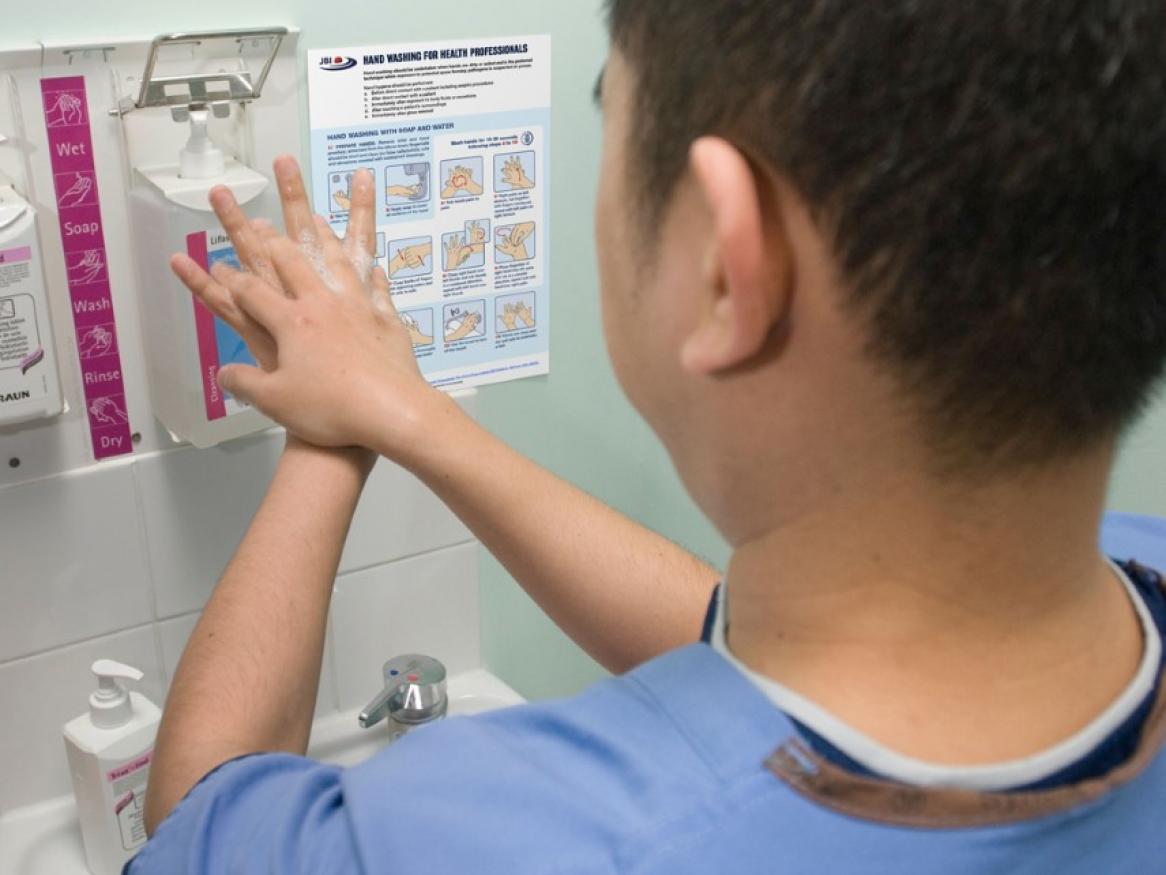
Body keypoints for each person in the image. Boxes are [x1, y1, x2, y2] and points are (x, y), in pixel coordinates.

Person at [128, 2, 1166, 872]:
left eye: (606, 120)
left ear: (723, 261)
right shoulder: (1107, 562)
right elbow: (754, 647)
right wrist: (395, 408)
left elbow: (194, 820)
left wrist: (326, 440)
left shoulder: (479, 838)